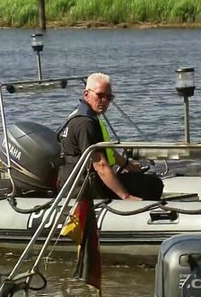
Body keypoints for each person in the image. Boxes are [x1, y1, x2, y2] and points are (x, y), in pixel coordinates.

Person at [56, 72, 163, 201]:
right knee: (152, 185)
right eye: (100, 95)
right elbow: (99, 165)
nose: (104, 101)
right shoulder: (85, 124)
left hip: (78, 180)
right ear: (86, 94)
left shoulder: (83, 114)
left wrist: (129, 166)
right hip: (83, 187)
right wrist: (126, 196)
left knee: (146, 180)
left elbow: (106, 152)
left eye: (109, 97)